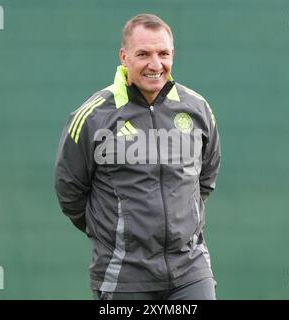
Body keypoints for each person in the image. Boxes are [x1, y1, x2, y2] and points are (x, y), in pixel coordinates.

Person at [54, 13, 221, 300]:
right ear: (124, 56)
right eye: (143, 54)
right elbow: (70, 192)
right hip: (123, 275)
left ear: (173, 55)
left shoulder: (197, 108)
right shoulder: (93, 116)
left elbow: (205, 179)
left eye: (163, 54)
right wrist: (114, 232)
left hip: (190, 271)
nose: (155, 65)